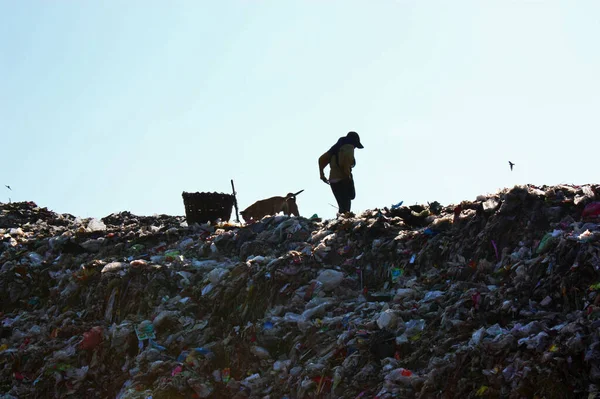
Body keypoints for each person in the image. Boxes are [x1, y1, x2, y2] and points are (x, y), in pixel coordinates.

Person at [318, 131, 364, 215]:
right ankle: (344, 225)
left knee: (342, 206)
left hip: (333, 180)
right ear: (354, 142)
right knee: (346, 206)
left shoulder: (335, 148)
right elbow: (345, 161)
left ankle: (341, 222)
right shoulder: (349, 147)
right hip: (343, 180)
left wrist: (322, 174)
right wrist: (348, 177)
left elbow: (321, 159)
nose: (355, 148)